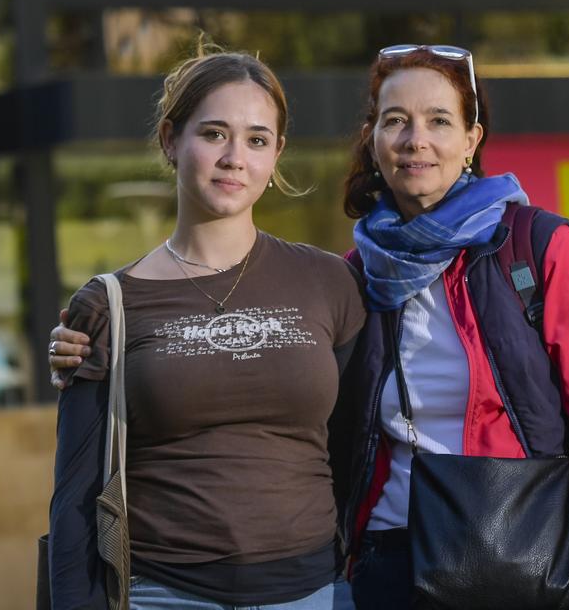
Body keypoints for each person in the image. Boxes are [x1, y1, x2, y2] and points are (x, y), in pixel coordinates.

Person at [51, 44, 569, 610]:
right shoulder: (357, 275)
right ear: (374, 139)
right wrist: (83, 347)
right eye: (396, 121)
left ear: (472, 140)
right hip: (380, 563)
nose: (417, 141)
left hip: (509, 546)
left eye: (440, 121)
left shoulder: (535, 250)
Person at [47, 45, 366, 610]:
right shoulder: (110, 305)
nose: (235, 157)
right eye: (214, 133)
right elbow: (74, 499)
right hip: (164, 595)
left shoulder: (329, 282)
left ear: (276, 155)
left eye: (257, 139)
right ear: (171, 140)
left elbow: (357, 449)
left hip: (316, 593)